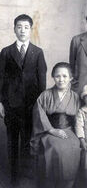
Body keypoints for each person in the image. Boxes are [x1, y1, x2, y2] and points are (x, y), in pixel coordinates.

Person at [0, 14, 47, 185]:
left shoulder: (38, 52)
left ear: (31, 29)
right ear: (14, 29)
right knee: (12, 141)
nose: (22, 30)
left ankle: (25, 177)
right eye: (19, 27)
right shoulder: (6, 52)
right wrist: (0, 102)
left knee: (28, 141)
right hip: (11, 105)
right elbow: (1, 78)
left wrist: (40, 105)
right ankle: (13, 178)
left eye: (26, 27)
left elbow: (42, 81)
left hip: (30, 105)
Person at [30, 62, 81, 188]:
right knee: (56, 147)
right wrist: (51, 130)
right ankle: (51, 183)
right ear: (53, 77)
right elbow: (39, 114)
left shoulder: (75, 97)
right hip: (49, 130)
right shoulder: (45, 95)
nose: (61, 79)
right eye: (57, 76)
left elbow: (80, 118)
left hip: (69, 130)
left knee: (74, 146)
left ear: (71, 78)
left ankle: (68, 184)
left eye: (65, 76)